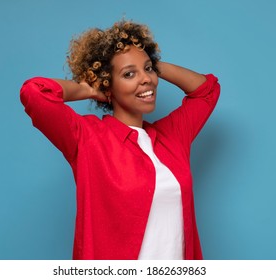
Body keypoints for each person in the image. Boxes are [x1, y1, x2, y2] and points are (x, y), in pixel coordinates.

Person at [20, 20, 220, 260]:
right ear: (108, 85)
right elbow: (34, 92)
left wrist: (153, 64)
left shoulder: (172, 136)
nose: (145, 79)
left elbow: (207, 91)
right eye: (129, 74)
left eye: (147, 69)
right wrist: (89, 89)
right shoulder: (87, 138)